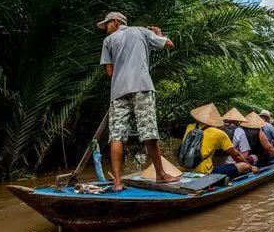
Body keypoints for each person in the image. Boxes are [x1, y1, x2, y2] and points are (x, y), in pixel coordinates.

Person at [98, 11, 178, 190]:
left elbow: (109, 73)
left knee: (117, 135)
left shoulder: (108, 42)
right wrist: (158, 34)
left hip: (118, 91)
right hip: (141, 86)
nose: (106, 29)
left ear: (117, 22)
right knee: (148, 131)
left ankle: (117, 182)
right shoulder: (141, 31)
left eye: (107, 24)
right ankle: (161, 175)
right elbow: (169, 44)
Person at [183, 104, 257, 179]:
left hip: (185, 167)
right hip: (205, 172)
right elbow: (236, 155)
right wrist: (250, 167)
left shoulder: (190, 127)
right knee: (244, 166)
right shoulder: (219, 133)